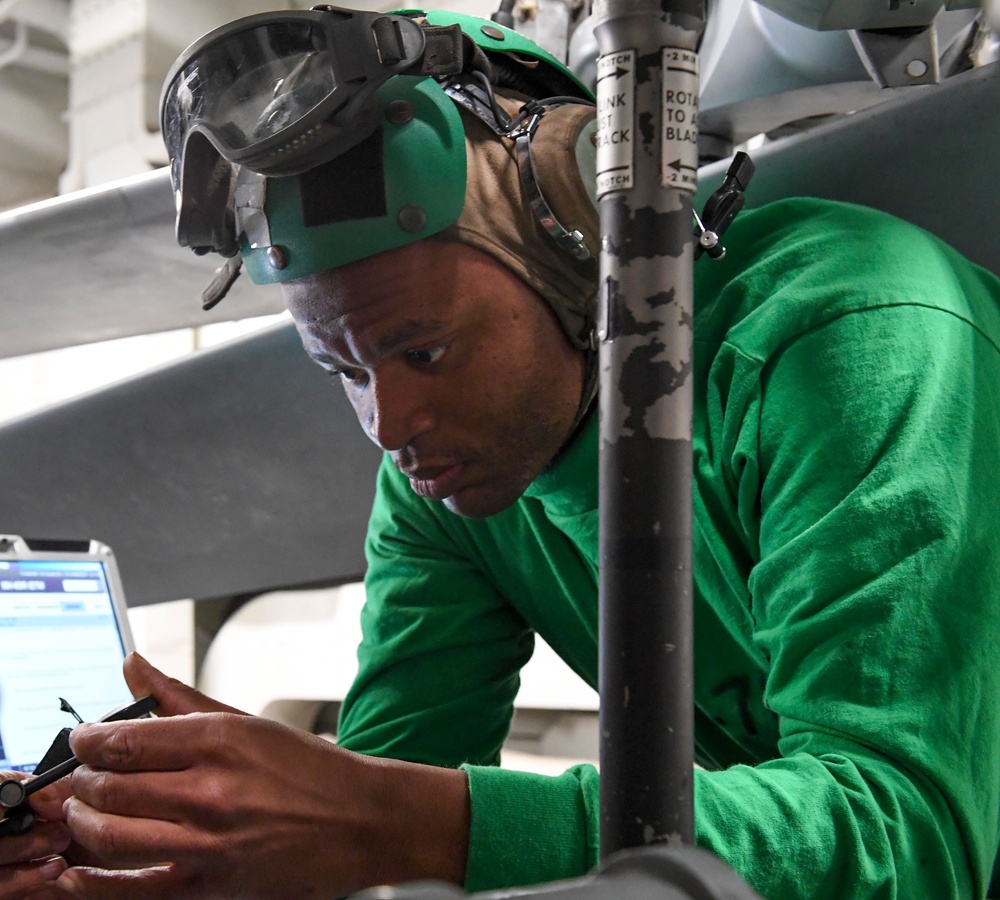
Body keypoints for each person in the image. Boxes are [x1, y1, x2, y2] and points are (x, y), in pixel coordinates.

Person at [3, 6, 1000, 899]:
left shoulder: (848, 335)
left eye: (423, 350)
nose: (388, 426)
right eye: (341, 371)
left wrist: (380, 816)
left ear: (584, 246)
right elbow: (385, 813)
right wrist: (186, 838)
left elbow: (906, 837)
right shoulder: (442, 485)